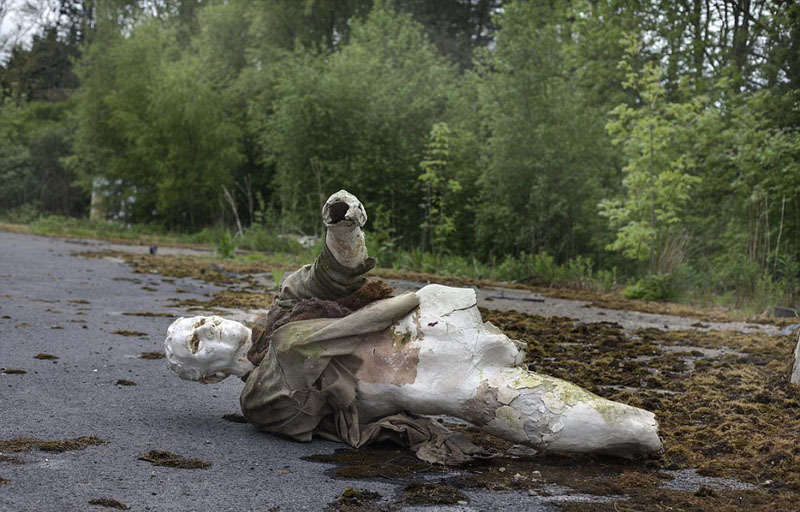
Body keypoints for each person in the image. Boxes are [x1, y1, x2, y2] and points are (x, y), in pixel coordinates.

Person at [165, 191, 661, 464]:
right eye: (197, 340)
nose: (209, 326)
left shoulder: (283, 311)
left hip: (428, 324)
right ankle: (644, 433)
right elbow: (300, 385)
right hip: (417, 379)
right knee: (519, 407)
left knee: (503, 384)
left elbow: (331, 273)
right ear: (207, 376)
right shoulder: (256, 400)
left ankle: (638, 432)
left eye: (200, 319)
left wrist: (342, 227)